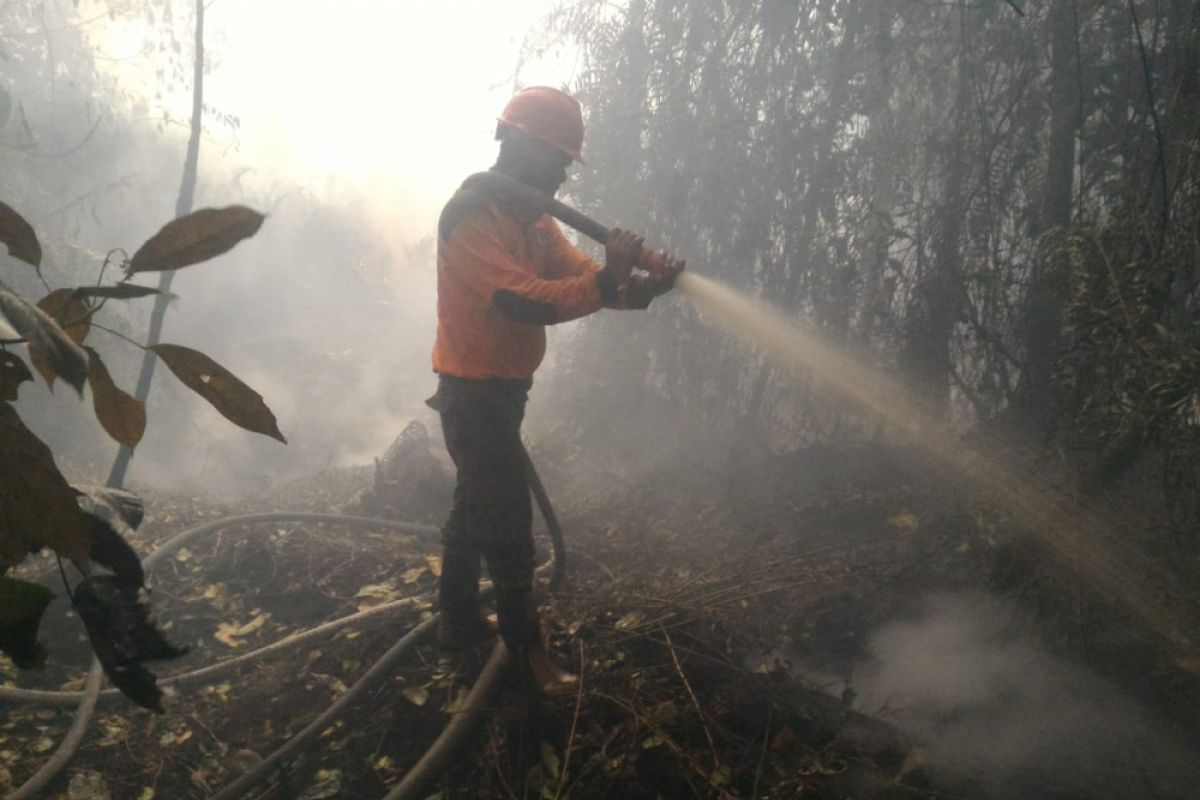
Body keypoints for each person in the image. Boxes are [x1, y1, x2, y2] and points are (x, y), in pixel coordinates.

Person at [427, 86, 683, 695]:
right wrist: (608, 276)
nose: (565, 174)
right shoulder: (469, 216)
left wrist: (640, 288)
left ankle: (455, 621)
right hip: (472, 394)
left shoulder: (534, 219)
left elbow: (578, 279)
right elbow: (522, 300)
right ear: (517, 146)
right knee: (510, 525)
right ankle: (528, 654)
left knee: (473, 510)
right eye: (558, 160)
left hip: (505, 392)